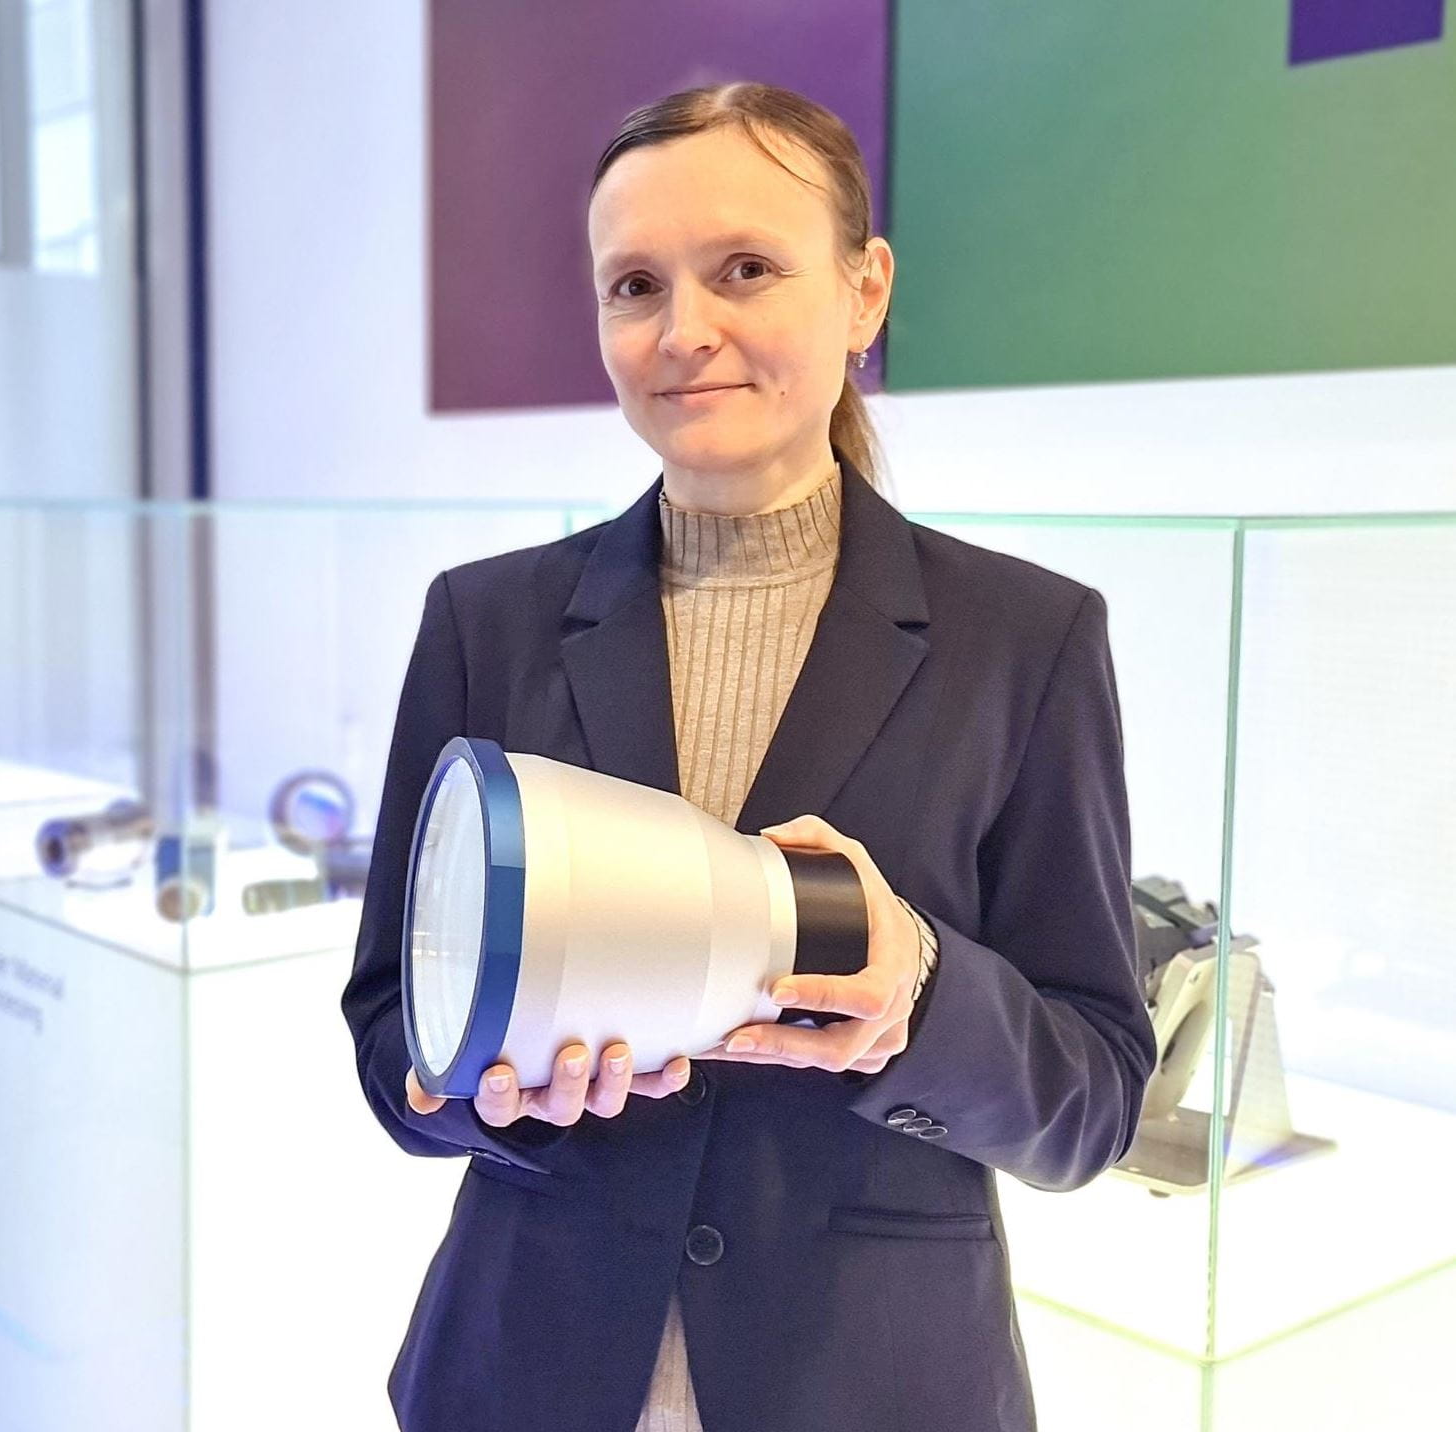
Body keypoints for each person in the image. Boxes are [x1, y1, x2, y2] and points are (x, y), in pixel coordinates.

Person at [341, 82, 1156, 1432]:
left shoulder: (1025, 641)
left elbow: (1095, 1102)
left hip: (872, 1382)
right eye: (636, 286)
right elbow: (391, 1036)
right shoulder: (487, 622)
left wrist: (919, 994)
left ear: (865, 291)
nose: (684, 331)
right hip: (531, 1368)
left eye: (745, 270)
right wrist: (480, 1094)